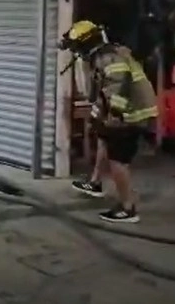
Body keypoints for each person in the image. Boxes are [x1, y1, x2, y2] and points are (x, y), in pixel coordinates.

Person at [60, 20, 158, 224]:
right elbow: (103, 93)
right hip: (126, 109)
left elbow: (117, 89)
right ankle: (95, 183)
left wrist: (113, 117)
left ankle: (127, 207)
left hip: (131, 113)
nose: (76, 53)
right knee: (104, 138)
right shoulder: (105, 55)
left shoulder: (109, 58)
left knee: (118, 160)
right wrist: (98, 117)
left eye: (77, 48)